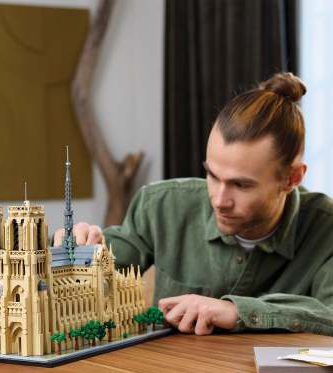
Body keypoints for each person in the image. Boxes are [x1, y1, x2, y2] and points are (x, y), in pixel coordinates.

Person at [54, 72, 333, 336]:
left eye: (241, 185)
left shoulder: (326, 227)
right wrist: (76, 256)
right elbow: (95, 279)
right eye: (212, 175)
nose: (219, 200)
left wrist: (236, 311)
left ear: (292, 178)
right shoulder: (160, 205)